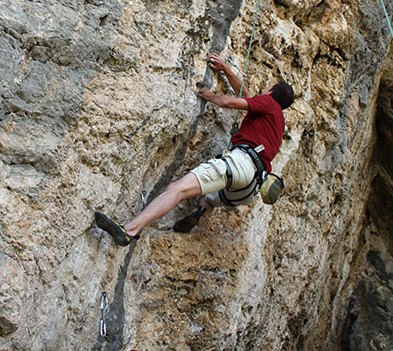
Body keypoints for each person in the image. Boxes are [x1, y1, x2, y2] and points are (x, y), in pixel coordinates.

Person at [95, 53, 294, 246]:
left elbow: (229, 102)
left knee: (177, 189)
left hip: (241, 164)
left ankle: (129, 230)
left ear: (270, 92)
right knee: (208, 192)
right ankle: (202, 208)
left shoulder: (268, 103)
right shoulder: (276, 120)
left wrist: (213, 96)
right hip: (248, 188)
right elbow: (246, 95)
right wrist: (225, 69)